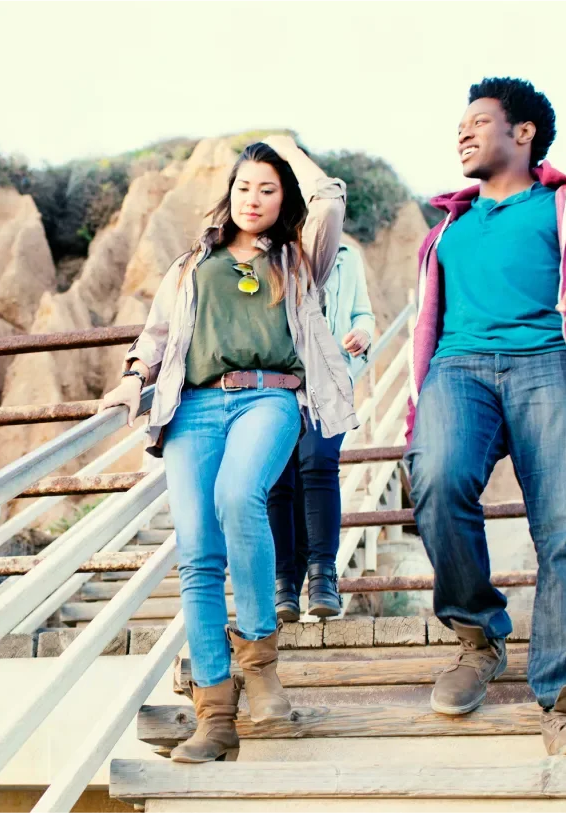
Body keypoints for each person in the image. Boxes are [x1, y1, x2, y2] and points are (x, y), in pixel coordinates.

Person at [403, 78, 566, 756]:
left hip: (552, 364)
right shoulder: (445, 231)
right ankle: (478, 635)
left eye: (479, 121)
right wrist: (413, 406)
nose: (463, 133)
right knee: (435, 478)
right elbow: (427, 326)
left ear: (523, 134)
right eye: (460, 124)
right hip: (458, 369)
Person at [100, 137, 355, 764]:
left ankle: (261, 663)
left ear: (283, 198)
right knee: (196, 552)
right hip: (192, 406)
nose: (254, 198)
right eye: (245, 186)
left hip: (269, 397)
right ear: (230, 192)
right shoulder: (192, 262)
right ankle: (215, 717)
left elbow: (329, 195)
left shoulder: (300, 258)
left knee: (239, 497)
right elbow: (158, 331)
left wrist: (288, 149)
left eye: (269, 189)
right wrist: (135, 375)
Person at [269, 241, 374, 620]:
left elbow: (363, 313)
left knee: (319, 460)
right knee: (280, 478)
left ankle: (322, 577)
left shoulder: (345, 254)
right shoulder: (270, 248)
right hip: (277, 377)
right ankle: (283, 582)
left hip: (328, 377)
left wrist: (362, 334)